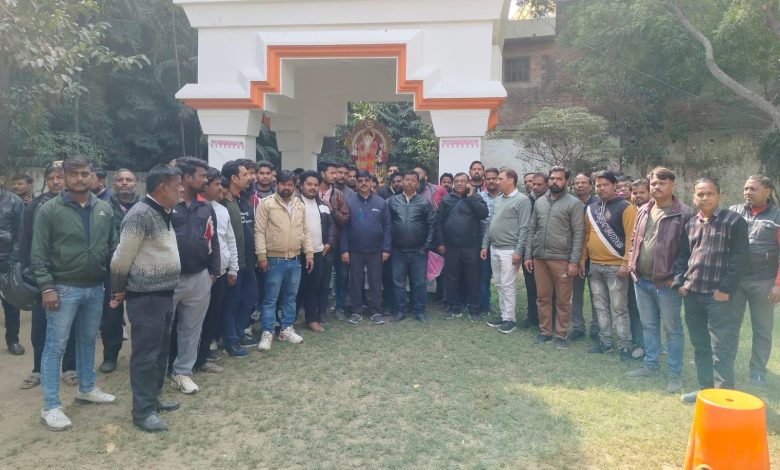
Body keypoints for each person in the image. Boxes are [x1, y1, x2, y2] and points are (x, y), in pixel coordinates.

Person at [31, 155, 118, 431]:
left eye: (85, 173)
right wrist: (46, 287)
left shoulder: (104, 209)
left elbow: (113, 247)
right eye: (74, 174)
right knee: (55, 346)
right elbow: (38, 252)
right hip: (63, 288)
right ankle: (50, 406)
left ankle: (86, 388)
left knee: (88, 340)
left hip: (95, 287)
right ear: (65, 177)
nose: (80, 178)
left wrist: (115, 284)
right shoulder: (50, 210)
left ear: (92, 175)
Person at [110, 164, 183, 432]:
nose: (181, 190)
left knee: (161, 351)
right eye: (177, 185)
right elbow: (120, 260)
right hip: (146, 297)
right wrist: (118, 289)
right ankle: (142, 412)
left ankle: (153, 398)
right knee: (146, 354)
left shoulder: (164, 211)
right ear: (163, 188)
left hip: (164, 294)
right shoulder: (139, 215)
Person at [673, 178, 749, 404]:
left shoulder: (734, 221)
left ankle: (723, 397)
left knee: (721, 347)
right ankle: (705, 390)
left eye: (709, 193)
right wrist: (681, 283)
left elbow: (740, 259)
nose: (704, 198)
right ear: (694, 197)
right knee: (700, 345)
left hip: (719, 297)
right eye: (700, 194)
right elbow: (683, 255)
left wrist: (725, 289)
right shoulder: (691, 223)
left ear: (719, 195)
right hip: (693, 295)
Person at [625, 167, 692, 393]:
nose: (656, 187)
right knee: (649, 325)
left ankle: (674, 374)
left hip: (666, 284)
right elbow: (635, 239)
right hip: (641, 280)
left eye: (662, 183)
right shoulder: (644, 209)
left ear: (673, 185)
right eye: (653, 183)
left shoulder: (684, 214)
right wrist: (631, 266)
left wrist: (677, 277)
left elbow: (689, 251)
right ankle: (650, 365)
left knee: (673, 330)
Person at [19, 162, 77, 389]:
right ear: (46, 180)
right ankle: (38, 369)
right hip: (41, 276)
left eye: (60, 177)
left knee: (70, 324)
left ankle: (69, 368)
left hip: (70, 275)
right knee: (40, 327)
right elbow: (25, 240)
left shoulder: (77, 203)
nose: (56, 182)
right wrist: (24, 270)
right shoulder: (35, 206)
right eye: (51, 178)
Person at [168, 157, 220, 395]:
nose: (206, 180)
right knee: (161, 329)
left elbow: (213, 240)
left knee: (191, 329)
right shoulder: (168, 204)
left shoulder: (205, 206)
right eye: (202, 176)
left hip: (200, 276)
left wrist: (213, 271)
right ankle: (157, 372)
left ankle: (182, 372)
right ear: (187, 178)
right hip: (169, 277)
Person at [524, 166, 584, 349]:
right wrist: (528, 255)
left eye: (559, 179)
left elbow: (579, 234)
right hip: (540, 258)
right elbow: (532, 229)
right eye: (552, 178)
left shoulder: (574, 204)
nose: (554, 182)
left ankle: (561, 335)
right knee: (542, 297)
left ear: (566, 181)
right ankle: (545, 332)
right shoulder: (540, 202)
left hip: (562, 259)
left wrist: (574, 262)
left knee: (563, 300)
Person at [729, 175, 780, 387]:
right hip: (736, 281)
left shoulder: (777, 216)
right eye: (746, 188)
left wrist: (777, 284)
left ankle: (757, 371)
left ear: (767, 191)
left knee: (762, 328)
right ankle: (725, 366)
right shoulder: (733, 212)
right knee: (730, 325)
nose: (747, 192)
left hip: (764, 282)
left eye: (753, 189)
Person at [582, 171, 637, 361]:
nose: (601, 188)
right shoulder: (591, 208)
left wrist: (625, 263)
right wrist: (583, 260)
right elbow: (587, 235)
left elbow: (631, 238)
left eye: (605, 185)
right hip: (595, 266)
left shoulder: (626, 207)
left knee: (619, 309)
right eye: (598, 185)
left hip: (616, 268)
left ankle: (624, 347)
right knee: (600, 307)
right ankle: (605, 343)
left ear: (614, 186)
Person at [255, 170, 314, 351]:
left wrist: (309, 253)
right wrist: (261, 256)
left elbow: (305, 230)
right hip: (274, 259)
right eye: (283, 184)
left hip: (295, 259)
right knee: (270, 299)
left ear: (295, 186)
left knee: (290, 297)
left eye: (290, 184)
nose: (286, 187)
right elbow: (259, 231)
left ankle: (287, 328)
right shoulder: (266, 204)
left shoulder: (299, 205)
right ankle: (267, 331)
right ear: (277, 184)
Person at [193, 168, 238, 374]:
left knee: (213, 316)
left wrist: (233, 268)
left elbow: (229, 241)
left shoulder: (221, 210)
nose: (221, 188)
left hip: (219, 272)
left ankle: (202, 357)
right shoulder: (193, 208)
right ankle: (185, 360)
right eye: (216, 184)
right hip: (199, 273)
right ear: (205, 186)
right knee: (193, 319)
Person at [99, 169, 141, 374]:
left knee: (141, 314)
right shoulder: (103, 207)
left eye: (129, 180)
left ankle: (141, 356)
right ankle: (110, 356)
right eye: (120, 180)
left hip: (140, 269)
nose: (125, 183)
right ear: (114, 183)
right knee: (111, 316)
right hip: (113, 269)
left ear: (135, 183)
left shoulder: (145, 206)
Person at [480, 169, 529, 331]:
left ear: (511, 180)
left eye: (500, 179)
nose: (497, 182)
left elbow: (524, 227)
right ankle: (503, 316)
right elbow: (491, 224)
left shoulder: (522, 200)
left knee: (508, 285)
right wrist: (485, 245)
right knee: (500, 284)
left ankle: (510, 320)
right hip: (494, 248)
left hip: (510, 250)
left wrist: (519, 251)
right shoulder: (498, 200)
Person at [341, 170, 392, 325]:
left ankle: (376, 311)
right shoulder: (349, 202)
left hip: (376, 250)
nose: (363, 183)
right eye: (360, 181)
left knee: (375, 281)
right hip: (354, 250)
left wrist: (386, 249)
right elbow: (344, 227)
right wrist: (344, 250)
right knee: (355, 281)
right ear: (356, 183)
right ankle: (356, 311)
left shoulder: (381, 202)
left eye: (366, 180)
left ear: (371, 183)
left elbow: (387, 227)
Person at [220, 161, 260, 357]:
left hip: (248, 260)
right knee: (232, 302)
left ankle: (239, 332)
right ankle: (230, 340)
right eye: (245, 175)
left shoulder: (243, 199)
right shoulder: (223, 202)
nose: (250, 178)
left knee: (250, 297)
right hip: (233, 263)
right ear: (234, 178)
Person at [437, 173, 489, 321]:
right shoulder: (447, 199)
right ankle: (453, 308)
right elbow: (438, 222)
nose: (459, 183)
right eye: (457, 181)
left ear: (468, 183)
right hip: (451, 246)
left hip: (471, 246)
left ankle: (474, 309)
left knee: (473, 278)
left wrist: (471, 197)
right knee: (451, 278)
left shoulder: (476, 197)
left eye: (463, 181)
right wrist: (440, 242)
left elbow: (483, 214)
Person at [388, 170, 435, 322]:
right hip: (398, 251)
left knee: (419, 283)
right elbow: (387, 225)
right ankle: (400, 310)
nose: (409, 182)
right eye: (406, 179)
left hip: (418, 251)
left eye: (412, 180)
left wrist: (426, 246)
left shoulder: (424, 202)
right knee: (398, 283)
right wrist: (390, 246)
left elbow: (431, 225)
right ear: (401, 182)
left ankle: (419, 311)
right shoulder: (393, 201)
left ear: (417, 183)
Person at [298, 170, 335, 332]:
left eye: (315, 185)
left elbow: (331, 225)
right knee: (295, 288)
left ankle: (312, 320)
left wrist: (329, 242)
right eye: (309, 184)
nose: (312, 187)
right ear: (301, 185)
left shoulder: (323, 205)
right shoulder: (294, 203)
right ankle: (289, 321)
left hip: (319, 253)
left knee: (314, 287)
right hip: (298, 254)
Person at [318, 161, 351, 321]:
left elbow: (345, 219)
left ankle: (340, 308)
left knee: (342, 276)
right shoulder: (313, 192)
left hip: (338, 243)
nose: (336, 176)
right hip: (318, 243)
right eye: (332, 172)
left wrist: (332, 210)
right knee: (322, 278)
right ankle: (320, 310)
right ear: (322, 173)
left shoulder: (338, 195)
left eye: (336, 172)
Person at [570, 173, 598, 341]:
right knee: (575, 295)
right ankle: (577, 327)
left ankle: (597, 328)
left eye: (583, 183)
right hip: (574, 255)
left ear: (591, 185)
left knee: (597, 295)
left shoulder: (598, 204)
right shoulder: (570, 203)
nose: (579, 185)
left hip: (594, 257)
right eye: (577, 183)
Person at [0, 168, 25, 355]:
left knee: (11, 303)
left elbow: (20, 233)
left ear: (1, 180)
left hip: (6, 260)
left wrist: (13, 260)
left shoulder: (14, 202)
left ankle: (13, 340)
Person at [478, 168, 501, 315]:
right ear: (484, 181)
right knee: (483, 276)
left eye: (494, 178)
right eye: (488, 178)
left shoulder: (506, 196)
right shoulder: (479, 197)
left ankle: (505, 310)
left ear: (499, 179)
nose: (491, 181)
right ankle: (484, 306)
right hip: (483, 244)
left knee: (503, 280)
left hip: (503, 244)